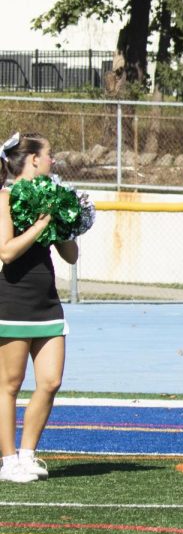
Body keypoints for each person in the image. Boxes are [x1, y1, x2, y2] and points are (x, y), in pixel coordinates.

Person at [0, 133, 79, 482]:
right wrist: (42, 223)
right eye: (49, 155)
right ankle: (8, 460)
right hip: (12, 300)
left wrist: (62, 221)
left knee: (51, 380)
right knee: (10, 385)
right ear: (32, 159)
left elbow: (72, 255)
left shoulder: (51, 196)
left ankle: (29, 454)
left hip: (46, 300)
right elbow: (6, 251)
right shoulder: (5, 197)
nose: (53, 161)